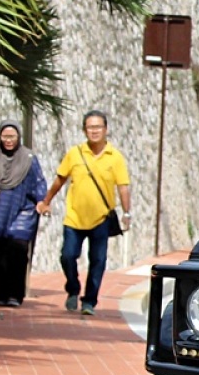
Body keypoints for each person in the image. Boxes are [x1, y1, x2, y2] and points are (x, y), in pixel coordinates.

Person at [36, 110, 131, 316]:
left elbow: (123, 186)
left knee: (98, 261)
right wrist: (46, 201)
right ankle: (73, 288)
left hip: (101, 218)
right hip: (74, 217)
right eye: (90, 127)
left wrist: (126, 212)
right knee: (67, 256)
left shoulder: (115, 157)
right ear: (84, 130)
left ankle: (89, 302)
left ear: (105, 130)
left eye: (98, 127)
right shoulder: (75, 153)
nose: (94, 131)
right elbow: (60, 179)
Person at [0, 120, 46, 307]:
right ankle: (2, 294)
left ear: (18, 137)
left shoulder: (29, 158)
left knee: (18, 252)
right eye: (5, 136)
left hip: (24, 211)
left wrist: (41, 201)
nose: (8, 140)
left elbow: (39, 183)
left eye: (12, 136)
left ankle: (15, 295)